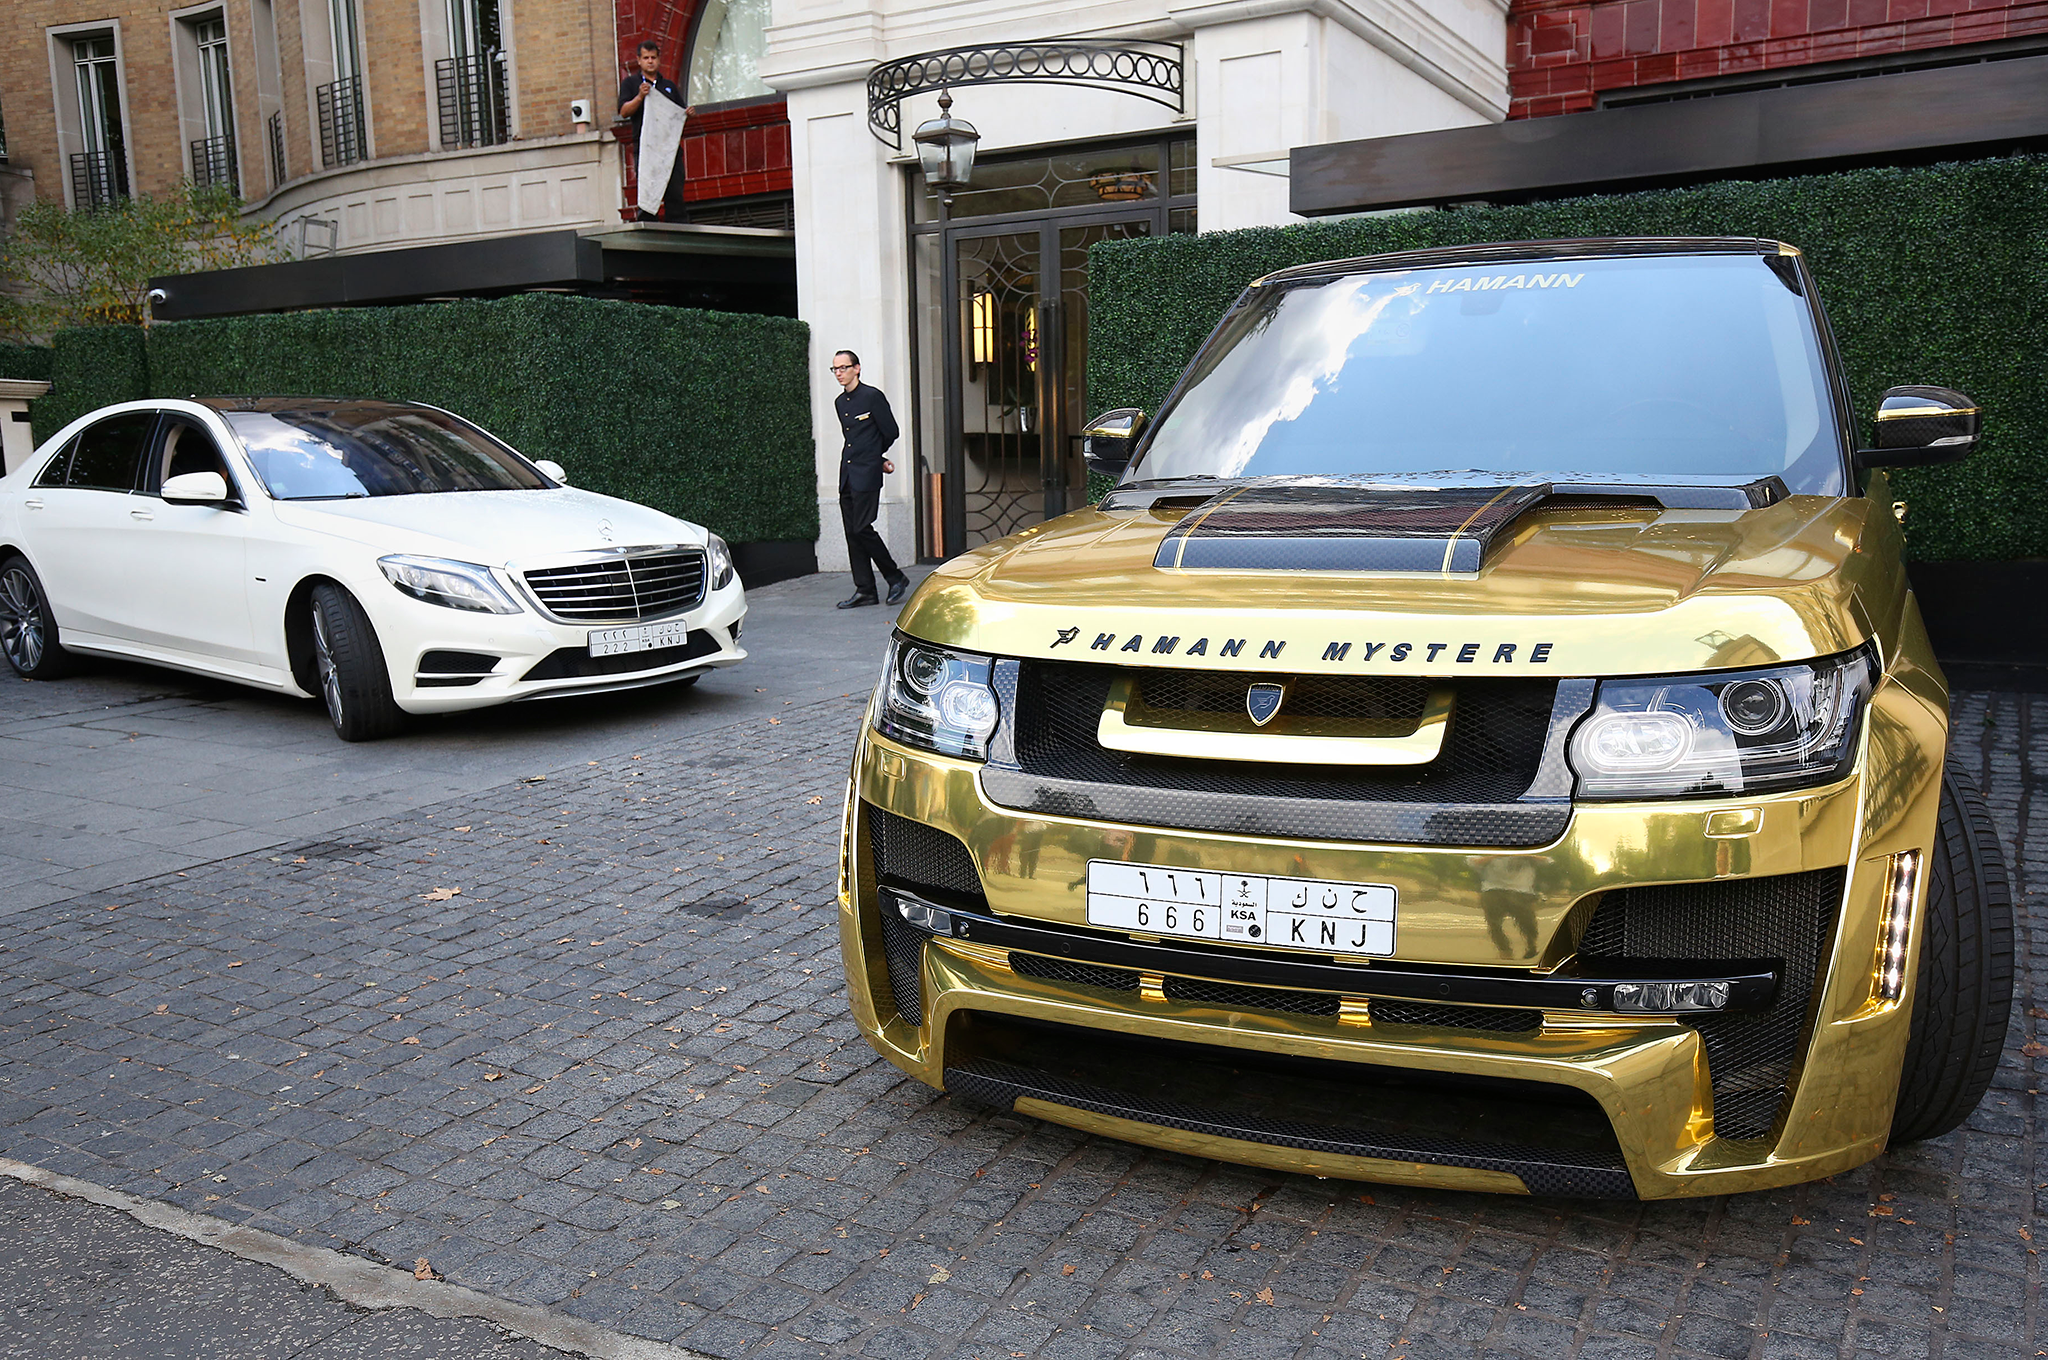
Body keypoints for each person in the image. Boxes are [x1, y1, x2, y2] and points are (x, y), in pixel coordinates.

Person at [831, 350, 909, 608]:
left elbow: (891, 432)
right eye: (835, 369)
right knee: (852, 533)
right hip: (848, 475)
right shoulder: (840, 403)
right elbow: (853, 439)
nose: (839, 373)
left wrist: (876, 458)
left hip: (866, 474)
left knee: (862, 528)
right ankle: (865, 589)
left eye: (844, 367)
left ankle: (895, 576)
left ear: (857, 368)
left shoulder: (872, 397)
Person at [618, 40, 688, 222]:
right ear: (638, 60)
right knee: (648, 196)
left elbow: (679, 113)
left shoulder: (669, 86)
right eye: (646, 58)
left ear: (659, 60)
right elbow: (624, 111)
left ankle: (678, 235)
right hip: (646, 149)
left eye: (653, 58)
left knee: (675, 195)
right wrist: (640, 97)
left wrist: (688, 113)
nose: (650, 61)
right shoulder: (630, 84)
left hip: (669, 151)